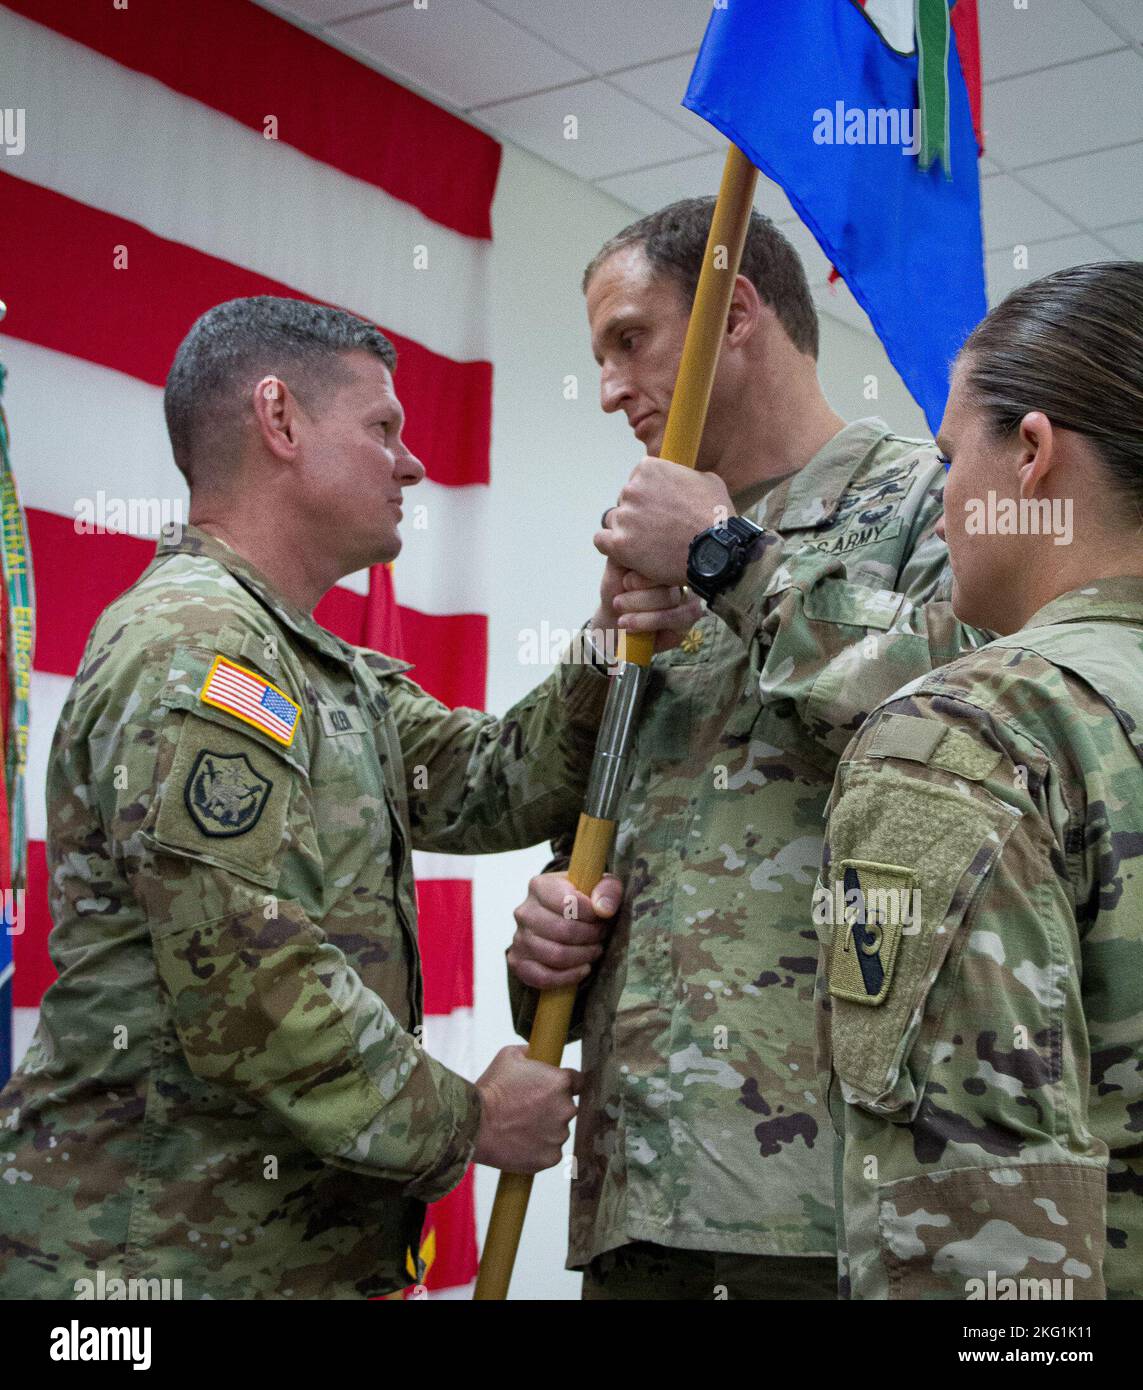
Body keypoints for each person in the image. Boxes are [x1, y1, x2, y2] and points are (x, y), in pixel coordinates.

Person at [0, 296, 698, 1300]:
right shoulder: (198, 646)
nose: (411, 464)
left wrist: (603, 641)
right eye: (383, 428)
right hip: (151, 1261)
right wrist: (474, 1121)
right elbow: (256, 986)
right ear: (279, 420)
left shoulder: (323, 674)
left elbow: (496, 779)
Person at [506, 198, 988, 1299]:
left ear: (738, 314)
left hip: (832, 1210)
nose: (611, 388)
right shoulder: (642, 572)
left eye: (631, 339)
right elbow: (617, 836)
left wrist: (731, 561)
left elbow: (950, 732)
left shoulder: (929, 500)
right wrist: (548, 940)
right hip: (639, 1196)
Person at [815, 260, 1143, 1301]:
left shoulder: (969, 733)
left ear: (1034, 453)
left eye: (952, 457)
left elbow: (985, 1258)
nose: (941, 504)